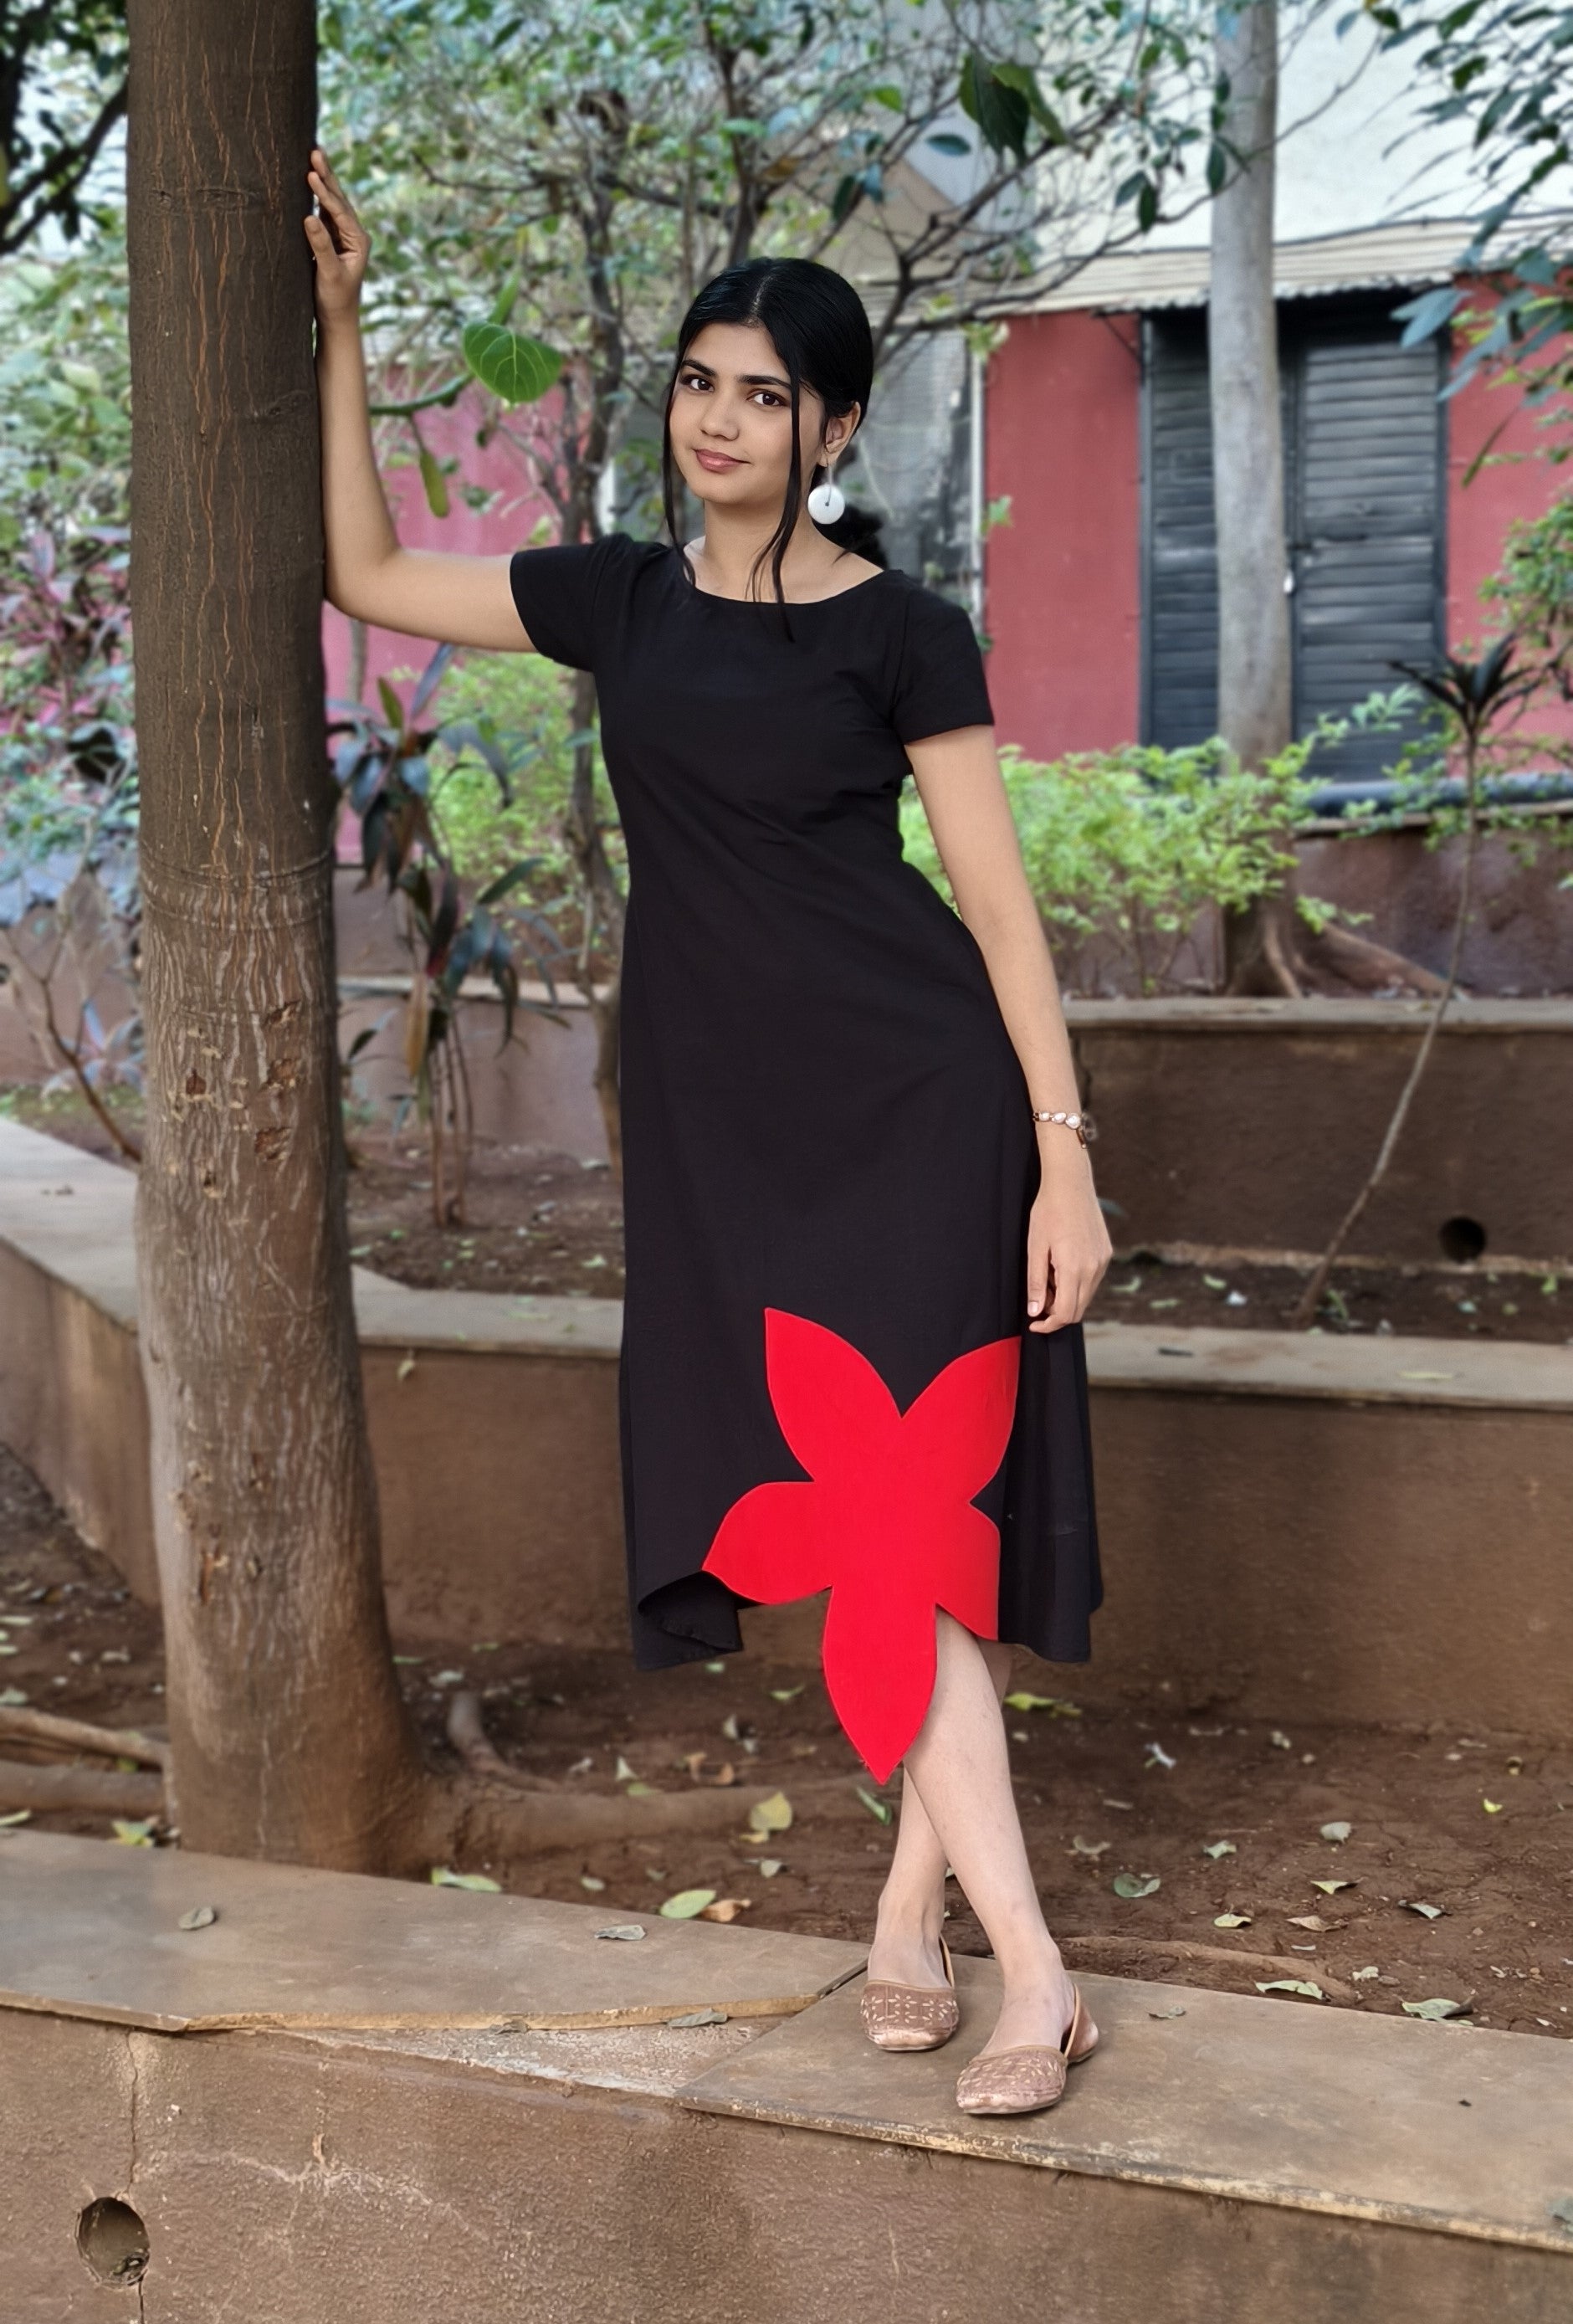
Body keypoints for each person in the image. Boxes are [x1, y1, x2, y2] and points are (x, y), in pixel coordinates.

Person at [305, 146, 1113, 2118]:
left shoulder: (903, 631)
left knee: (905, 1520)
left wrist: (1064, 1152)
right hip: (725, 1129)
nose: (720, 419)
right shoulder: (619, 601)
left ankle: (1030, 1969)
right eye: (699, 381)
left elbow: (998, 911)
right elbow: (369, 576)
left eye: (765, 393)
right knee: (866, 1521)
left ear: (830, 429)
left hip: (919, 1106)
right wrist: (339, 329)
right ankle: (909, 1914)